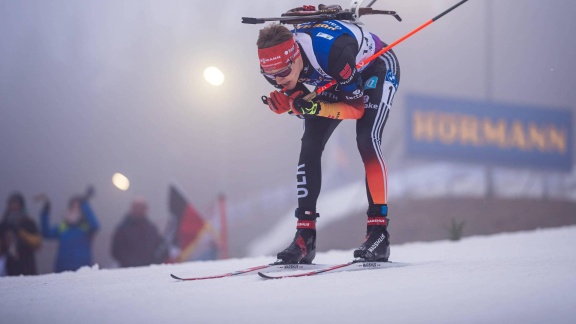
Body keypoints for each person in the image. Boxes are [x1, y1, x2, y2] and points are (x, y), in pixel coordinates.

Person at [256, 16, 400, 263]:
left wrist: (308, 108)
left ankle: (379, 233)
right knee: (310, 145)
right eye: (270, 75)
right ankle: (305, 237)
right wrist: (292, 105)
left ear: (296, 57)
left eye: (282, 73)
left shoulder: (332, 52)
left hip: (375, 67)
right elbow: (303, 101)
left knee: (366, 139)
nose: (278, 81)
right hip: (333, 79)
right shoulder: (282, 65)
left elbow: (355, 109)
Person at [36, 186, 100, 273]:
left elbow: (95, 226)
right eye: (73, 206)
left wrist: (85, 204)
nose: (75, 209)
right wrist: (45, 212)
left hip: (83, 270)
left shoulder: (86, 227)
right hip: (62, 269)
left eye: (78, 207)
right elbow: (46, 234)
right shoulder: (62, 227)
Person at [111, 198, 165, 268]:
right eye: (137, 207)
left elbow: (158, 246)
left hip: (149, 270)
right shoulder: (123, 229)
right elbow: (116, 251)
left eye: (142, 207)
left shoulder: (151, 228)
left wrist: (155, 261)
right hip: (129, 271)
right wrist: (131, 263)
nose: (139, 210)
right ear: (132, 208)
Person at [0, 192, 42, 275]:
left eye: (16, 203)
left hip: (27, 264)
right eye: (12, 203)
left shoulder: (28, 222)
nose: (14, 206)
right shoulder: (4, 223)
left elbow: (37, 243)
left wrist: (20, 232)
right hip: (9, 265)